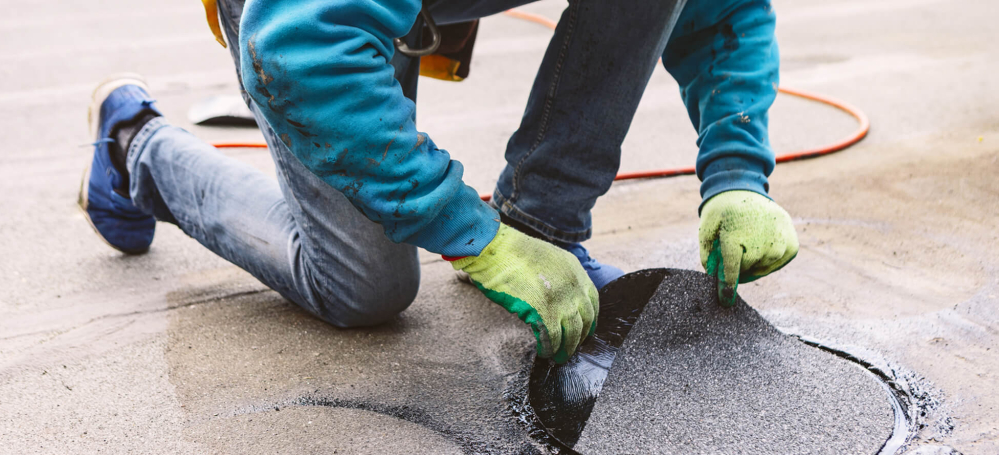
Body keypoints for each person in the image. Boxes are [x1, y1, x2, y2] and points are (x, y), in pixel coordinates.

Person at [78, 0, 798, 364]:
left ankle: (542, 221)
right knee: (364, 290)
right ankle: (134, 147)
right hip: (300, 18)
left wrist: (737, 170)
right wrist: (471, 237)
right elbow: (300, 50)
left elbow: (721, 8)